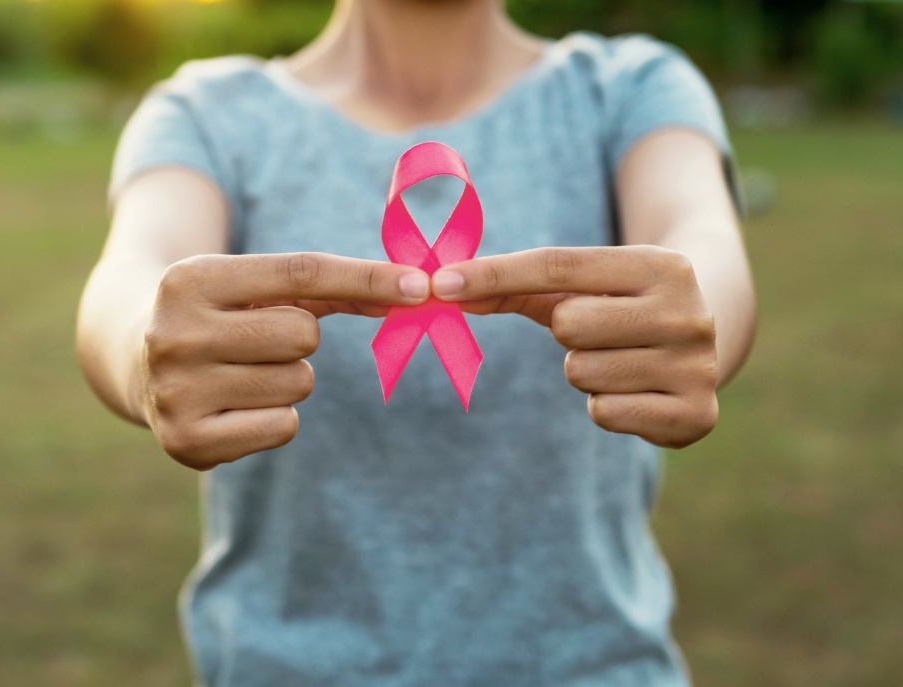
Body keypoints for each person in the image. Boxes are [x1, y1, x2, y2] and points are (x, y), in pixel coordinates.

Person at [76, 0, 756, 684]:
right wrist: (142, 349)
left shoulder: (625, 87)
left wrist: (701, 318)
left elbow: (702, 238)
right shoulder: (210, 112)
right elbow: (134, 271)